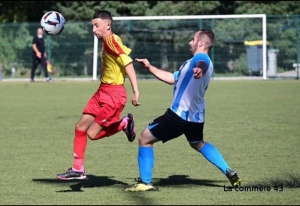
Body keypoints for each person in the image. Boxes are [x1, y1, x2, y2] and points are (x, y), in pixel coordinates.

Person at [125, 29, 241, 192]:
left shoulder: (200, 59)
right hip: (196, 118)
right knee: (198, 143)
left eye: (193, 39)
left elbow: (202, 62)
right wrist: (149, 67)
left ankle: (146, 182)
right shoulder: (189, 63)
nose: (190, 42)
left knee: (145, 138)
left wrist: (200, 68)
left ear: (200, 43)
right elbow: (172, 78)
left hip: (178, 115)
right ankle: (228, 170)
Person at [56, 10, 140, 180]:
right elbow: (123, 55)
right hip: (102, 91)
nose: (93, 29)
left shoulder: (110, 41)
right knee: (80, 127)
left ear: (107, 25)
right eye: (92, 26)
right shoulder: (111, 40)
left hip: (113, 96)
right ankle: (77, 169)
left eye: (96, 25)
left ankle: (124, 123)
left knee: (92, 134)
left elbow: (128, 63)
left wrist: (136, 90)